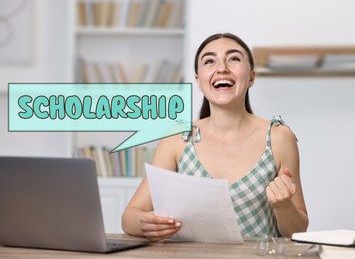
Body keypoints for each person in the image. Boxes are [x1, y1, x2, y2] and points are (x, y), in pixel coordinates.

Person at [122, 33, 308, 241]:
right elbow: (130, 216)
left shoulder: (279, 137)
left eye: (234, 59)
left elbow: (298, 230)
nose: (222, 68)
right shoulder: (177, 138)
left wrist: (283, 207)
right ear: (199, 81)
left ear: (251, 77)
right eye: (210, 61)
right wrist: (145, 223)